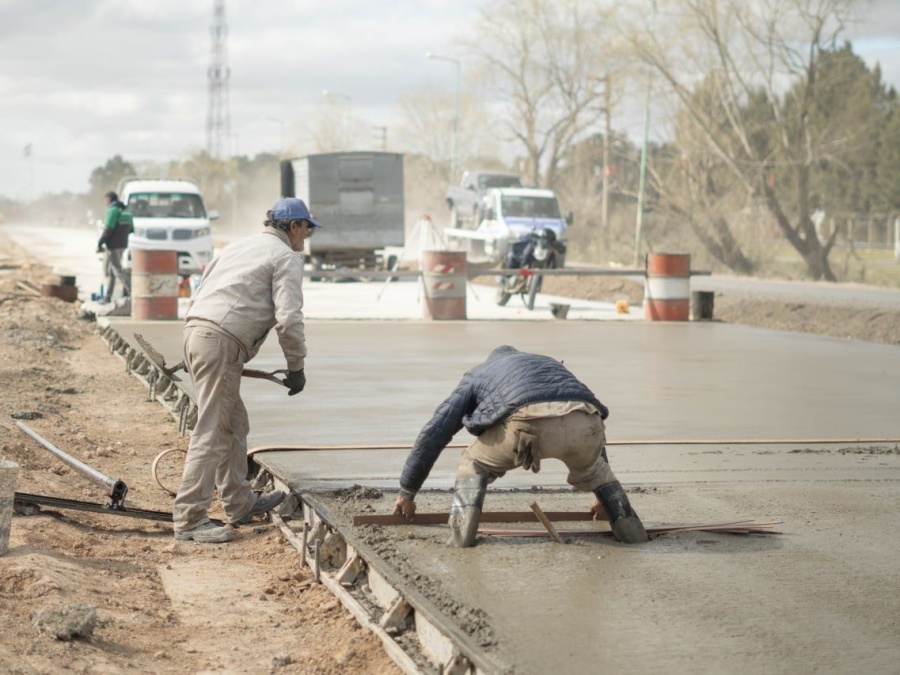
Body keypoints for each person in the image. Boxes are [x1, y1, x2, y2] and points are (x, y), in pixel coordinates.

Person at [172, 197, 322, 543]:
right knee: (212, 429)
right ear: (294, 226)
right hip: (219, 340)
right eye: (306, 229)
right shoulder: (285, 256)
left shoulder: (237, 247)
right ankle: (190, 519)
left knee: (234, 422)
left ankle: (239, 503)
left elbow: (202, 291)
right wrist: (296, 366)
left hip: (197, 332)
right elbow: (289, 319)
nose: (306, 236)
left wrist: (200, 344)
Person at [393, 345, 649, 547]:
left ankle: (461, 537)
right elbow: (590, 422)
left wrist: (407, 491)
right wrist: (598, 490)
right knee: (597, 470)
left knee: (473, 463)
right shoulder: (549, 364)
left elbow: (435, 431)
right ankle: (632, 535)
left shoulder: (479, 373)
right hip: (587, 421)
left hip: (527, 425)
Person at [96, 191, 133, 304]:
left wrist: (100, 243)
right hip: (123, 244)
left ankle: (132, 291)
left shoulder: (112, 210)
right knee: (111, 271)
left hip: (113, 245)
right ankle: (107, 297)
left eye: (105, 200)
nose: (105, 203)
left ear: (108, 199)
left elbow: (108, 229)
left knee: (117, 270)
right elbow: (131, 229)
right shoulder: (126, 211)